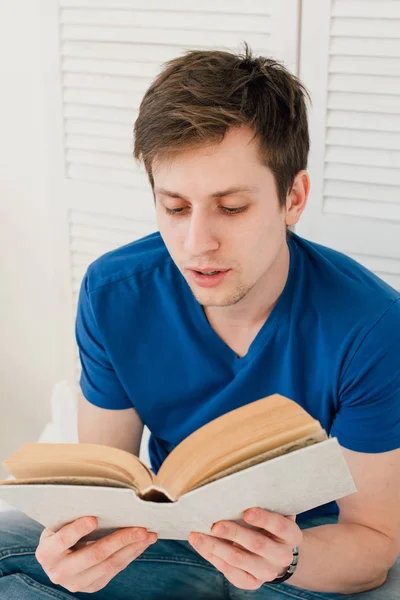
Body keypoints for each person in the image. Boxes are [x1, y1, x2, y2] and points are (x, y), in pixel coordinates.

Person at [0, 42, 399, 600]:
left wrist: (284, 560)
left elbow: (374, 548)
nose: (197, 246)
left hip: (305, 551)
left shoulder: (372, 324)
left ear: (293, 198)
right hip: (170, 532)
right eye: (176, 207)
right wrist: (77, 554)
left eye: (232, 208)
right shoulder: (113, 293)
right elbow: (109, 489)